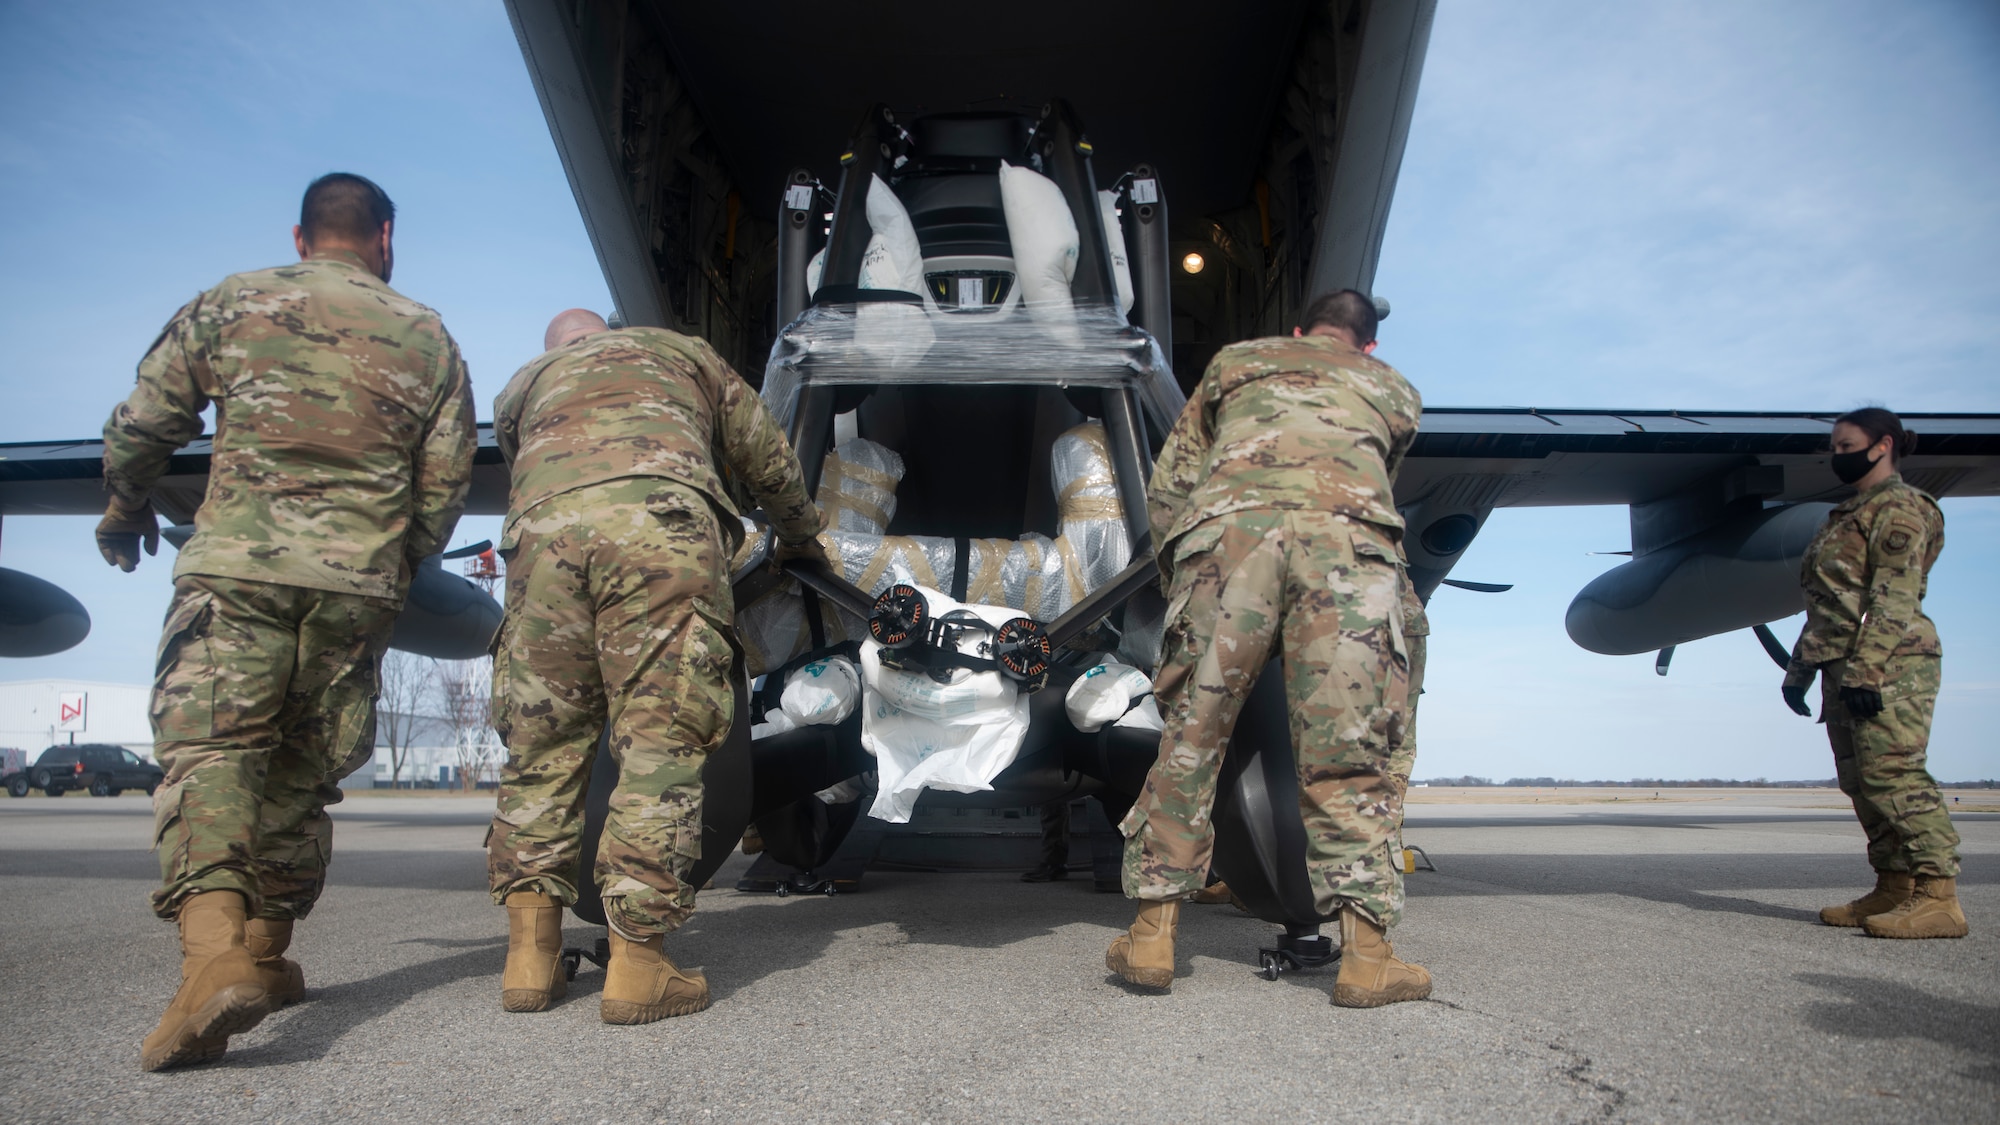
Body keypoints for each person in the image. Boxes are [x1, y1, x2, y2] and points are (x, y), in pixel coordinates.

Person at [100, 173, 476, 1071]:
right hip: (357, 588)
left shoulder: (235, 300)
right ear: (385, 237)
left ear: (303, 237)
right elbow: (448, 482)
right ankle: (260, 952)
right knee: (302, 775)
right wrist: (387, 560)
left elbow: (146, 420)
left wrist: (125, 505)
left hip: (241, 570)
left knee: (215, 755)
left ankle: (213, 959)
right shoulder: (427, 335)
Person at [486, 309, 822, 1023]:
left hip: (541, 544)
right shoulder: (682, 352)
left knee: (541, 749)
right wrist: (800, 535)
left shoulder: (523, 386)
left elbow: (527, 467)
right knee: (659, 743)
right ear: (612, 331)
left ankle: (530, 956)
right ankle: (639, 961)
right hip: (658, 532)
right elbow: (764, 454)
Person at [1107, 290, 1429, 1007]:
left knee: (1191, 739)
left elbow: (1172, 485)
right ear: (1365, 346)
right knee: (1349, 755)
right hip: (1350, 556)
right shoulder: (1394, 388)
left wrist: (1182, 574)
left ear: (1297, 330)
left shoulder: (1237, 362)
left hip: (1230, 544)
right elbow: (1376, 485)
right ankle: (1367, 959)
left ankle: (1153, 939)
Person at [1782, 408, 1967, 939]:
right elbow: (1829, 604)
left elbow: (1894, 599)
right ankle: (1893, 886)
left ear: (1884, 445)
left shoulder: (1903, 508)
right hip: (1842, 662)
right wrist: (1799, 671)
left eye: (1847, 447)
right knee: (1861, 781)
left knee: (1896, 776)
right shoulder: (1846, 514)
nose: (1837, 457)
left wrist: (1867, 673)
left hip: (1892, 663)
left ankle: (1939, 898)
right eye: (1834, 449)